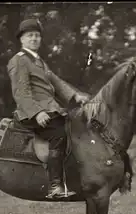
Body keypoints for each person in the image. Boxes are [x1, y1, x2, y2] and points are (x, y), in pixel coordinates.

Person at [7, 18, 90, 199]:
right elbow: (21, 92)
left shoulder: (39, 62)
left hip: (49, 110)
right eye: (30, 36)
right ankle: (54, 186)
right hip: (30, 113)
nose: (35, 39)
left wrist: (75, 96)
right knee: (58, 133)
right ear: (22, 39)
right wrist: (36, 113)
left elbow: (56, 82)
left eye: (37, 36)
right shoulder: (19, 61)